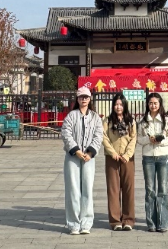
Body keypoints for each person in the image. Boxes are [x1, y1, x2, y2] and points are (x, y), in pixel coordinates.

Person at [61, 86, 104, 234]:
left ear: (90, 99)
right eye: (81, 97)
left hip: (88, 158)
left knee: (87, 189)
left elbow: (99, 135)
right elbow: (66, 133)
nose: (84, 99)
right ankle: (73, 223)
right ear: (77, 99)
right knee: (73, 189)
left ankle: (86, 223)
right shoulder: (71, 116)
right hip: (73, 156)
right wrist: (76, 150)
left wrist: (90, 152)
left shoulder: (95, 117)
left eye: (86, 97)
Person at [137, 92, 168, 232]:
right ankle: (151, 223)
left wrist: (160, 140)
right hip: (148, 157)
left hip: (163, 157)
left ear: (160, 104)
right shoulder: (143, 121)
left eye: (155, 103)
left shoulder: (166, 120)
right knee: (150, 190)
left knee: (163, 189)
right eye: (151, 103)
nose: (153, 105)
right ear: (147, 104)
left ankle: (163, 223)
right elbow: (138, 139)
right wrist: (149, 139)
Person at [103, 93, 137, 231]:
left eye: (121, 104)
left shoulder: (131, 121)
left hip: (127, 158)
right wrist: (113, 153)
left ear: (125, 106)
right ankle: (115, 220)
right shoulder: (107, 121)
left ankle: (128, 219)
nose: (118, 107)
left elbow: (134, 138)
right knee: (113, 189)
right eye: (116, 104)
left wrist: (127, 154)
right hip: (112, 158)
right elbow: (104, 138)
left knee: (128, 188)